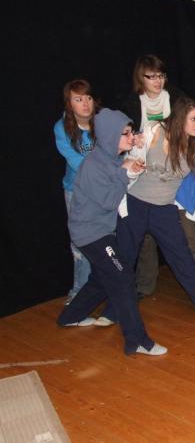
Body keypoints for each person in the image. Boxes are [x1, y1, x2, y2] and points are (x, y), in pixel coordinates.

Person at [102, 98, 195, 329]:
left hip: (164, 210)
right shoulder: (153, 131)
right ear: (180, 119)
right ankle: (113, 309)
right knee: (124, 261)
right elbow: (125, 150)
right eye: (193, 119)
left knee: (184, 261)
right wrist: (133, 146)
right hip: (136, 205)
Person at [57, 108, 166, 356]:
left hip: (99, 230)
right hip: (91, 234)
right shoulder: (95, 165)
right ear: (109, 136)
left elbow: (120, 173)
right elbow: (109, 202)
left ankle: (70, 316)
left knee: (101, 278)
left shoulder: (110, 157)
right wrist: (125, 174)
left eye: (131, 132)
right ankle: (137, 341)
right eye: (125, 133)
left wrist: (127, 167)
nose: (131, 137)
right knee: (123, 277)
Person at [121, 54, 195, 299]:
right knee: (145, 241)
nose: (157, 81)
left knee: (189, 239)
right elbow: (125, 140)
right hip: (147, 182)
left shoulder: (176, 98)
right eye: (151, 76)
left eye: (161, 75)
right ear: (140, 78)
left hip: (177, 185)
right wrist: (133, 145)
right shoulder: (134, 107)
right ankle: (144, 287)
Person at [54, 79, 98, 305]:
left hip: (104, 191)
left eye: (88, 98)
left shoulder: (103, 122)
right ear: (69, 103)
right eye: (79, 99)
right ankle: (78, 294)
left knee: (106, 241)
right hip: (76, 191)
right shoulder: (62, 127)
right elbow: (74, 160)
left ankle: (105, 290)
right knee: (80, 243)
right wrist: (104, 168)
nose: (85, 104)